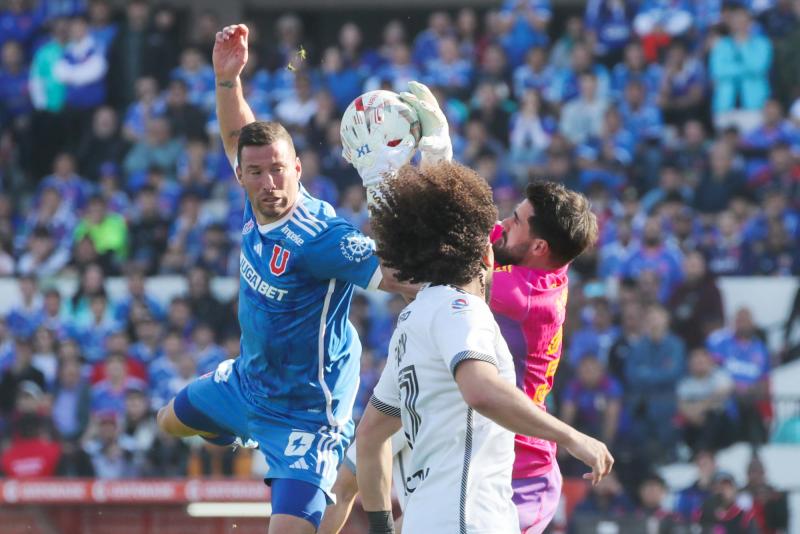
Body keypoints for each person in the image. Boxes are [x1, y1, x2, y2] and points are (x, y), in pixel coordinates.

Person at [155, 24, 415, 534]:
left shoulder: (321, 236)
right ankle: (242, 434)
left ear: (298, 167)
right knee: (168, 421)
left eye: (278, 169)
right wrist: (227, 80)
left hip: (307, 411)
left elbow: (397, 277)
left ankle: (332, 473)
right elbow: (239, 134)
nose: (269, 182)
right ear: (240, 175)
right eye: (256, 172)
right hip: (250, 382)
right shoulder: (254, 199)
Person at [355, 162, 613, 534]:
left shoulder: (521, 295)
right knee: (354, 471)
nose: (503, 225)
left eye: (517, 221)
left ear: (539, 245)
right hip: (472, 448)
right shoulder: (522, 257)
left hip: (520, 471)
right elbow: (460, 231)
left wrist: (382, 184)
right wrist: (433, 159)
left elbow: (432, 267)